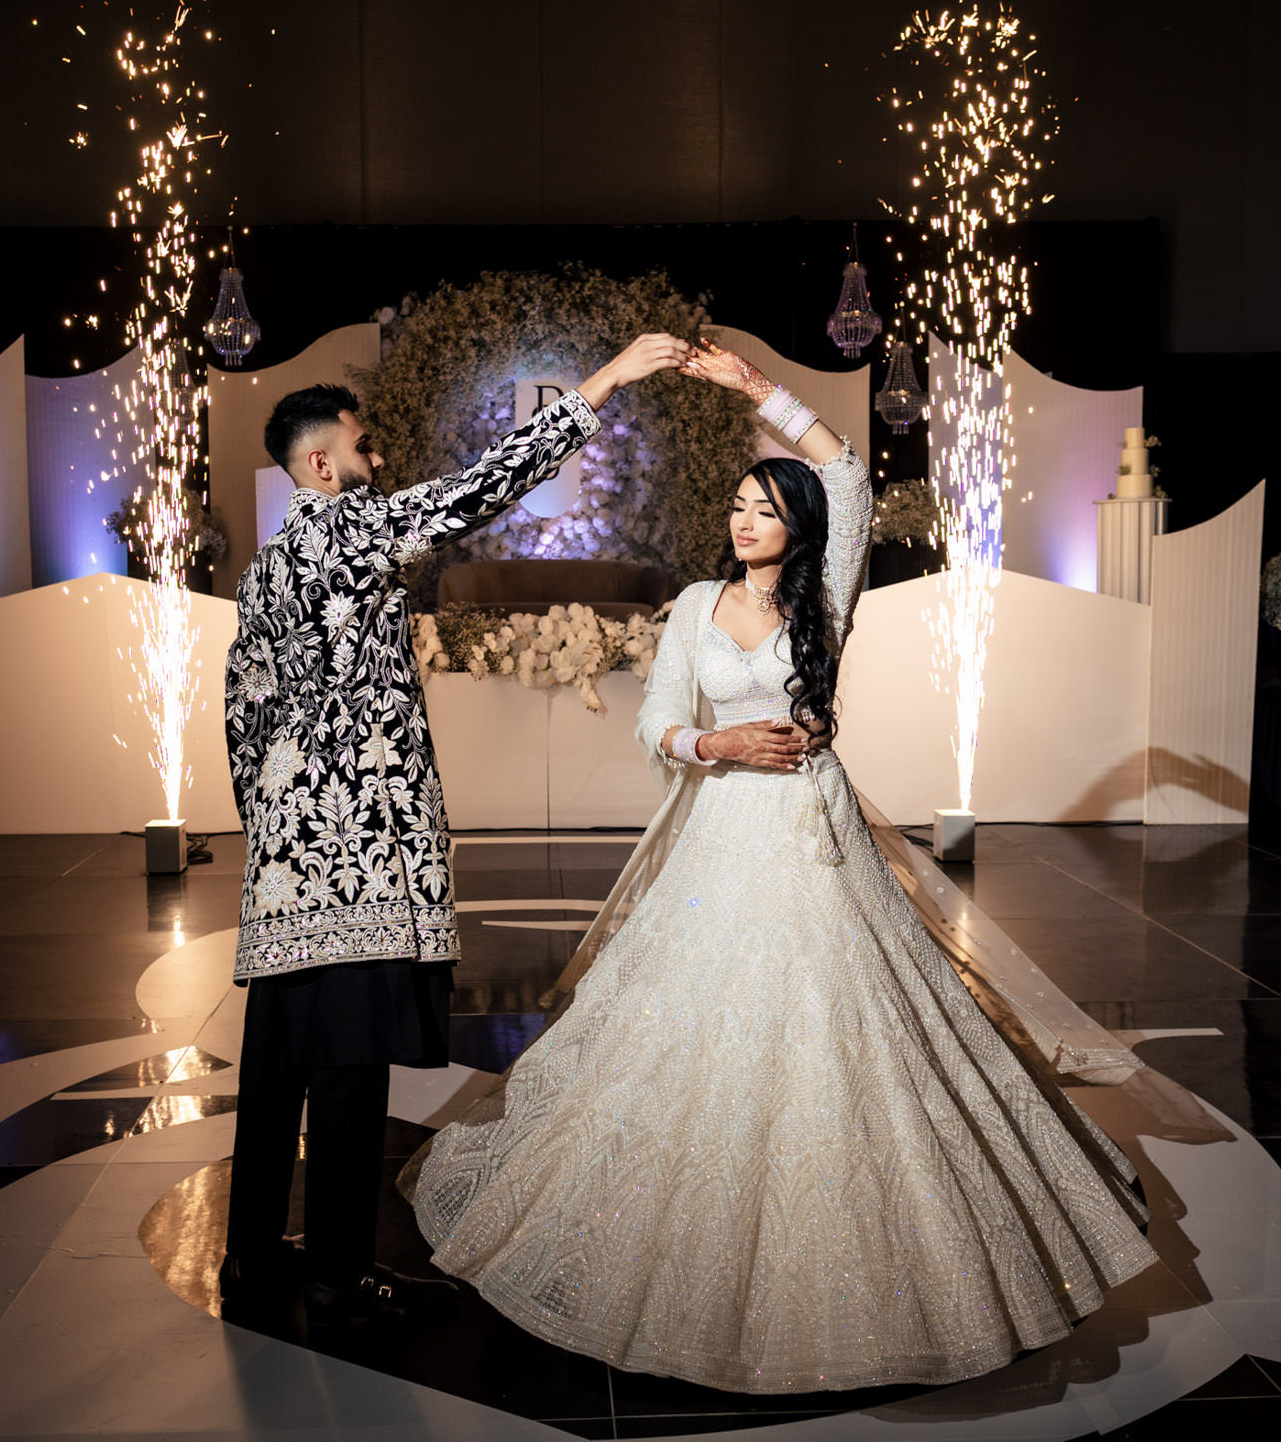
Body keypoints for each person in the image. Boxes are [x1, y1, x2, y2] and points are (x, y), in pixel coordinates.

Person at [401, 341, 1158, 1390]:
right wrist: (713, 745)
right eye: (737, 505)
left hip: (812, 827)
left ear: (797, 527)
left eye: (763, 506)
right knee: (695, 1021)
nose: (743, 519)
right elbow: (658, 721)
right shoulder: (696, 605)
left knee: (851, 1018)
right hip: (722, 831)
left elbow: (846, 472)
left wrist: (761, 392)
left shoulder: (823, 598)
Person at [219, 332, 693, 1327]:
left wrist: (273, 838)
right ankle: (339, 1276)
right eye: (362, 447)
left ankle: (250, 1259)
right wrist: (606, 380)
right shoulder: (348, 533)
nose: (378, 460)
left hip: (285, 872)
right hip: (354, 866)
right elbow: (488, 483)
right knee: (347, 1075)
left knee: (276, 1072)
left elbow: (241, 714)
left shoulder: (265, 573)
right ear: (318, 466)